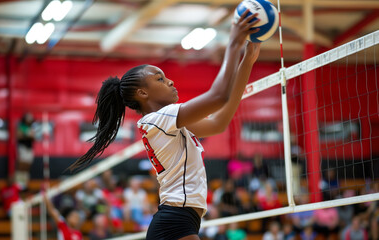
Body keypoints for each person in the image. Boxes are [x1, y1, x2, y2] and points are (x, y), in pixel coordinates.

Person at [69, 9, 261, 240]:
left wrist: (247, 61)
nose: (170, 81)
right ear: (142, 93)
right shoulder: (160, 118)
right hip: (175, 221)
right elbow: (217, 96)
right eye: (160, 79)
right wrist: (233, 43)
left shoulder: (166, 122)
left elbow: (219, 122)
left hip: (179, 220)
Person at [15, 112, 36, 189]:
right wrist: (27, 135)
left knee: (28, 165)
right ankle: (18, 183)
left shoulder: (31, 127)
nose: (30, 119)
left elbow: (33, 137)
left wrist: (30, 135)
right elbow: (19, 136)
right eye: (28, 117)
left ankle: (24, 183)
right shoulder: (21, 126)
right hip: (23, 147)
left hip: (29, 148)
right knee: (21, 164)